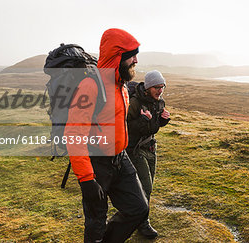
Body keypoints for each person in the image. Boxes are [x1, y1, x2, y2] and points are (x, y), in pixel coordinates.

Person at [64, 28, 149, 243]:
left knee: (139, 209)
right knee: (95, 225)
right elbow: (74, 133)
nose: (136, 60)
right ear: (117, 56)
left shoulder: (121, 85)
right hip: (97, 164)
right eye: (132, 55)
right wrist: (86, 179)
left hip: (120, 158)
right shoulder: (90, 86)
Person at [127, 70, 171, 239]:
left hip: (151, 147)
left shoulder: (159, 102)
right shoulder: (135, 103)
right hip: (135, 150)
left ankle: (139, 218)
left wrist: (162, 121)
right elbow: (124, 126)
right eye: (156, 87)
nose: (160, 91)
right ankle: (142, 223)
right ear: (148, 87)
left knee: (148, 187)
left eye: (162, 87)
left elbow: (153, 127)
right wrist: (142, 120)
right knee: (145, 187)